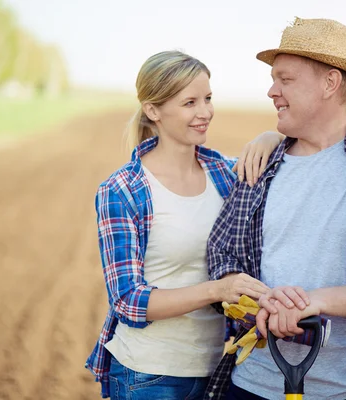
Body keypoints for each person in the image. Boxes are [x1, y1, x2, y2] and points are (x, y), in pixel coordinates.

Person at [205, 18, 346, 400]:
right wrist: (261, 301)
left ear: (330, 83)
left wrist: (317, 301)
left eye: (285, 79)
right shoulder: (258, 165)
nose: (271, 91)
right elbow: (222, 255)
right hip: (250, 386)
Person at [85, 50, 292, 399]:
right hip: (148, 376)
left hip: (216, 369)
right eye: (190, 102)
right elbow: (127, 300)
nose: (205, 112)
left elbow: (291, 159)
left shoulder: (225, 175)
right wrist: (216, 290)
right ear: (153, 111)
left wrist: (271, 139)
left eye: (208, 99)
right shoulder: (122, 190)